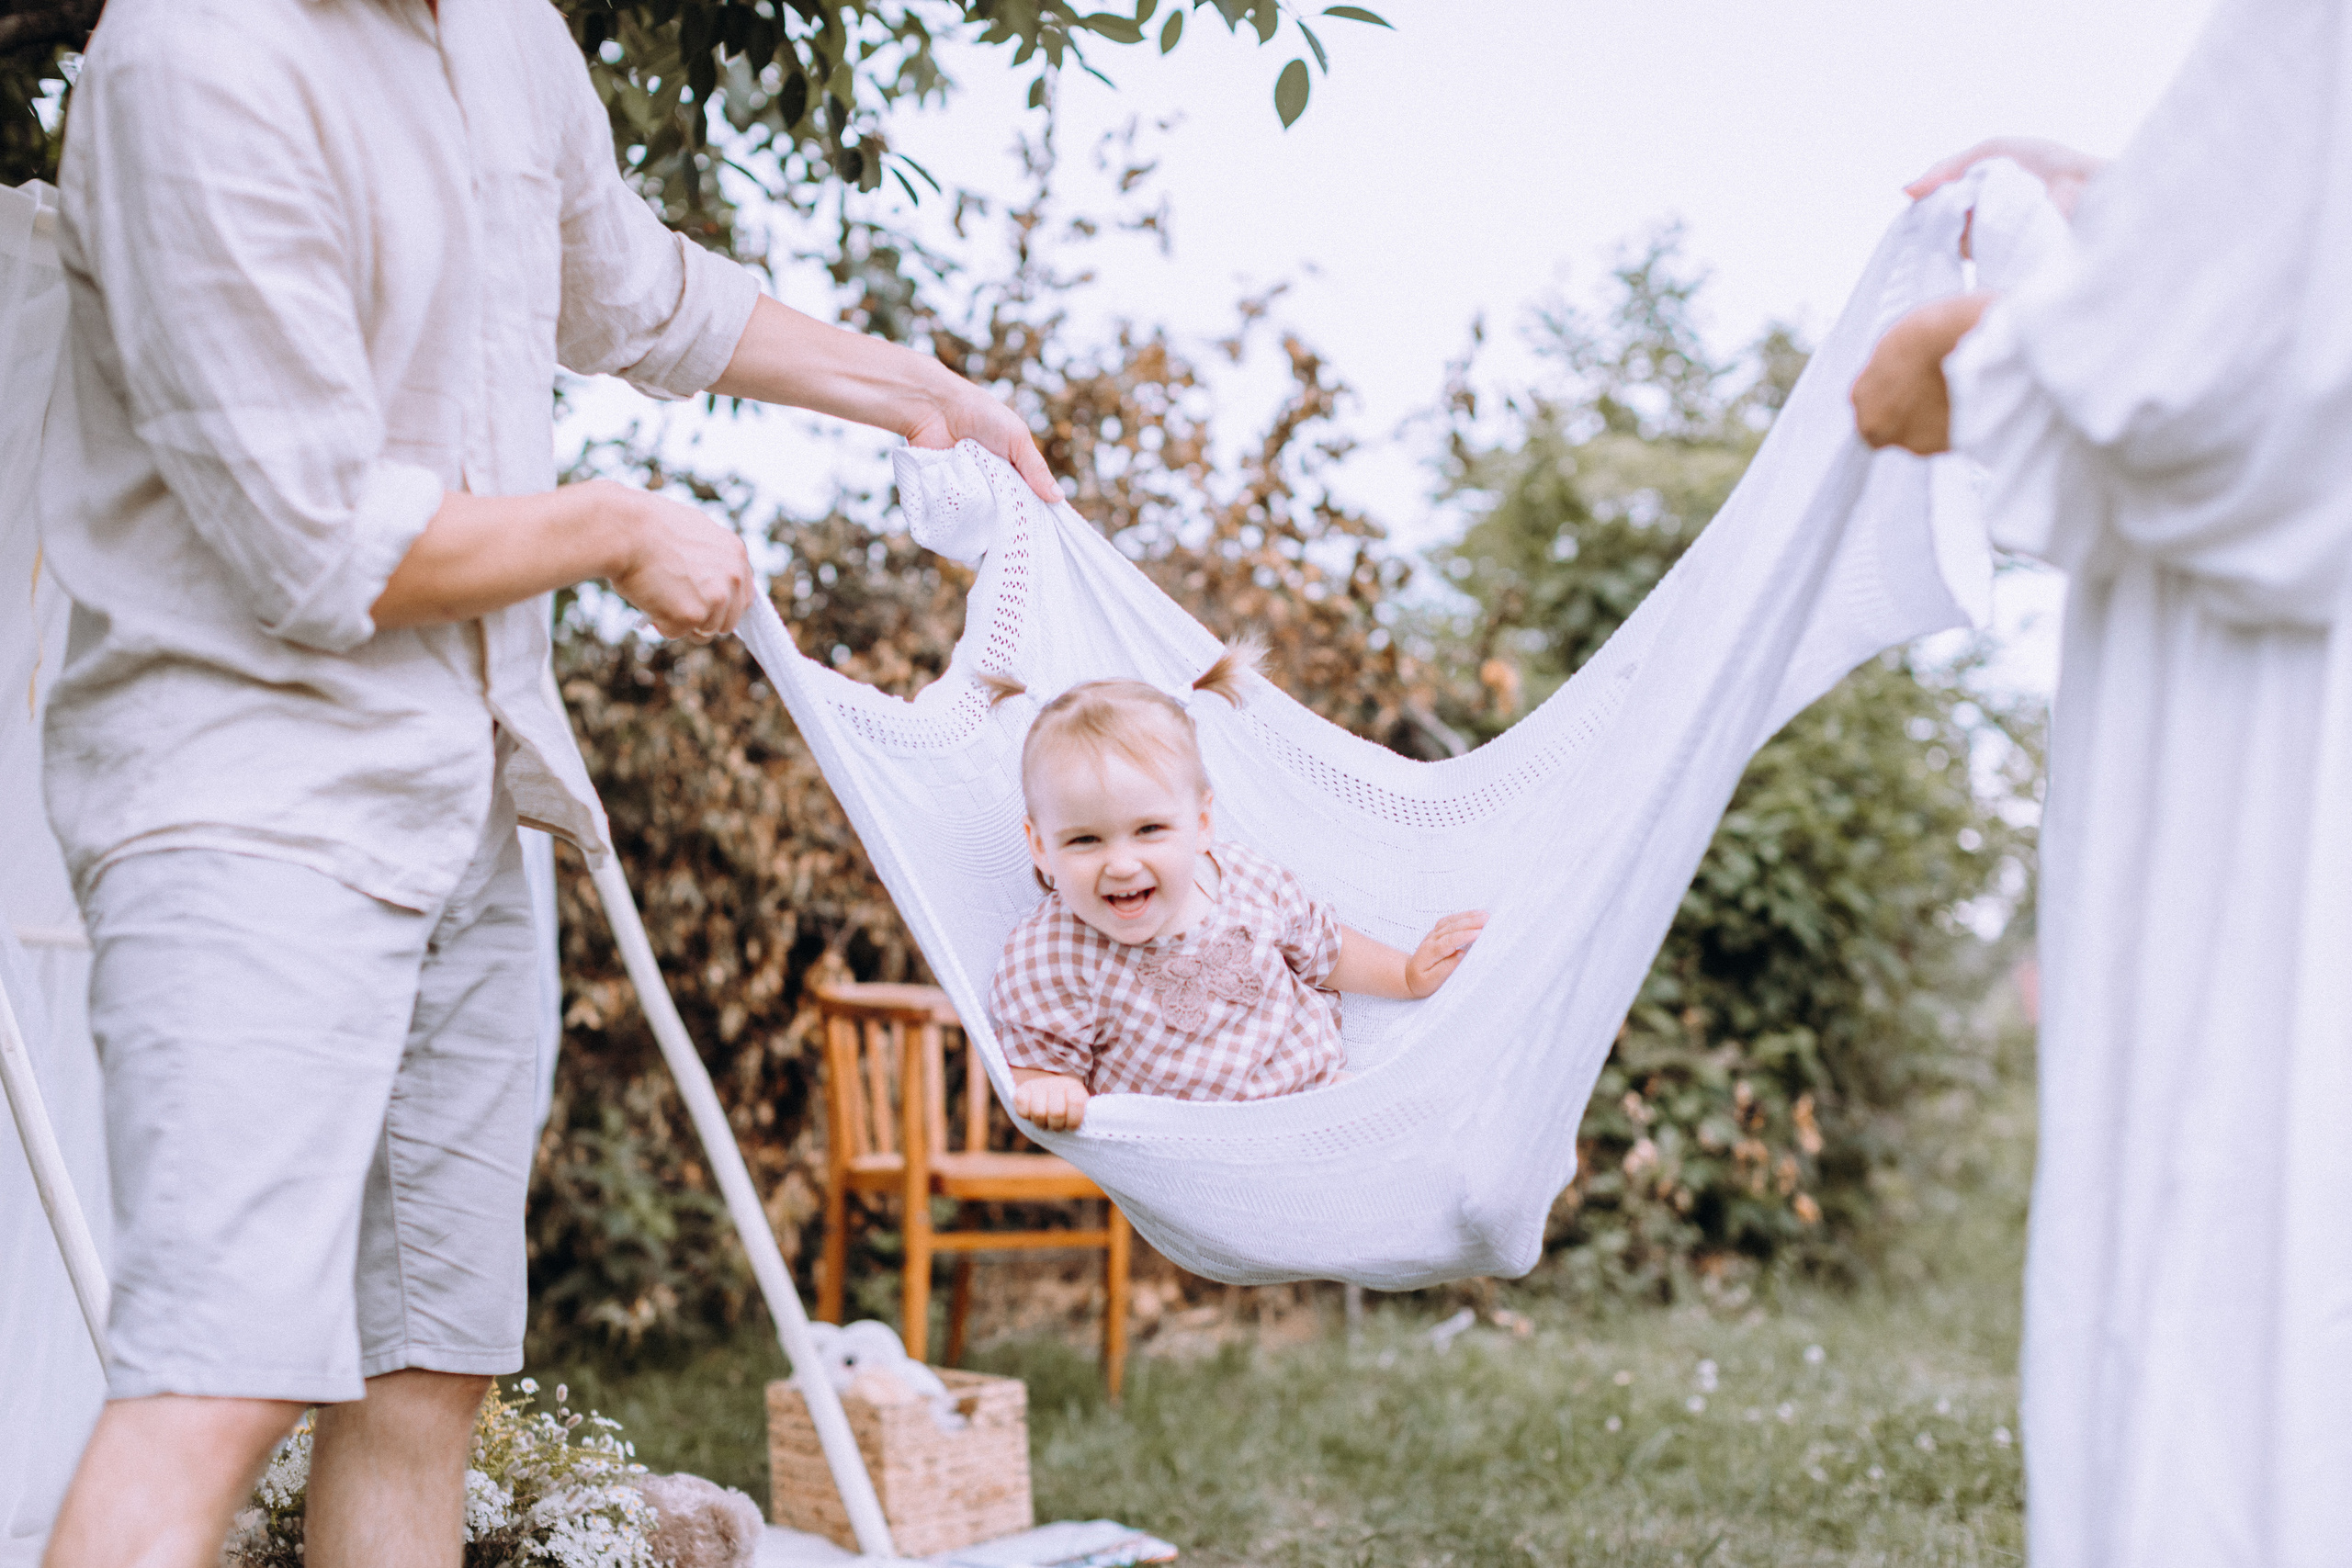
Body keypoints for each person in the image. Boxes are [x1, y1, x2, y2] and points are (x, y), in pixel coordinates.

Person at [33, 1, 1058, 1565]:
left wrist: (923, 393)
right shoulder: (192, 55)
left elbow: (638, 290)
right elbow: (316, 539)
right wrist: (612, 525)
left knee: (422, 1374)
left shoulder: (510, 32)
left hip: (476, 794)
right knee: (216, 1380)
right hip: (247, 809)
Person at [1850, 6, 2352, 1558]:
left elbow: (2211, 398)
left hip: (2281, 750)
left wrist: (1973, 366)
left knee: (2256, 1259)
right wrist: (2132, 213)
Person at [981, 645, 1487, 1132]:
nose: (1121, 863)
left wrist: (1405, 973)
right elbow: (1038, 1056)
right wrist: (1051, 1086)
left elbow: (1325, 948)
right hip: (1200, 1159)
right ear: (1041, 845)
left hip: (1321, 1094)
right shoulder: (1051, 955)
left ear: (1202, 823)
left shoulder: (1247, 883)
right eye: (1085, 840)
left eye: (1150, 830)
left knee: (1434, 1126)